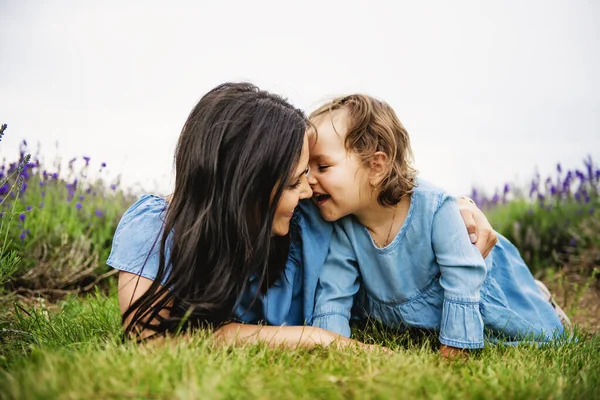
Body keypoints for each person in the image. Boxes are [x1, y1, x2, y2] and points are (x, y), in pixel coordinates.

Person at [107, 82, 497, 350]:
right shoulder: (156, 228)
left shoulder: (311, 213)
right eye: (295, 182)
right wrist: (314, 338)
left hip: (474, 273)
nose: (310, 189)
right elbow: (149, 341)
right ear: (248, 188)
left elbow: (377, 184)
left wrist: (454, 204)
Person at [309, 94, 568, 358]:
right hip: (422, 307)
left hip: (480, 282)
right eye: (306, 168)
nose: (309, 178)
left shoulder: (435, 209)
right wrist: (331, 344)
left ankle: (540, 298)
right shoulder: (345, 228)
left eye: (322, 166)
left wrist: (457, 343)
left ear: (376, 166)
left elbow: (463, 278)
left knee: (522, 330)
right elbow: (334, 293)